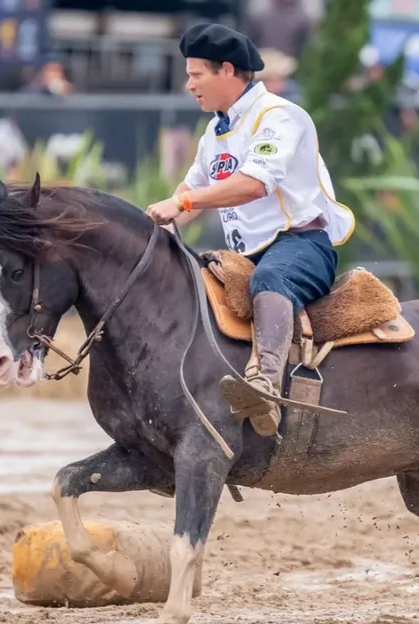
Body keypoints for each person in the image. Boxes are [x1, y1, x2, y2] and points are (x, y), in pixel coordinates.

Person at [146, 23, 355, 438]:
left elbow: (253, 185)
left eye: (195, 75)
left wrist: (183, 203)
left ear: (226, 70)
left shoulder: (279, 116)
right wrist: (153, 230)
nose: (189, 85)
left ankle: (265, 384)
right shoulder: (215, 131)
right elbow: (192, 188)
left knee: (271, 276)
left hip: (302, 245)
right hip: (249, 253)